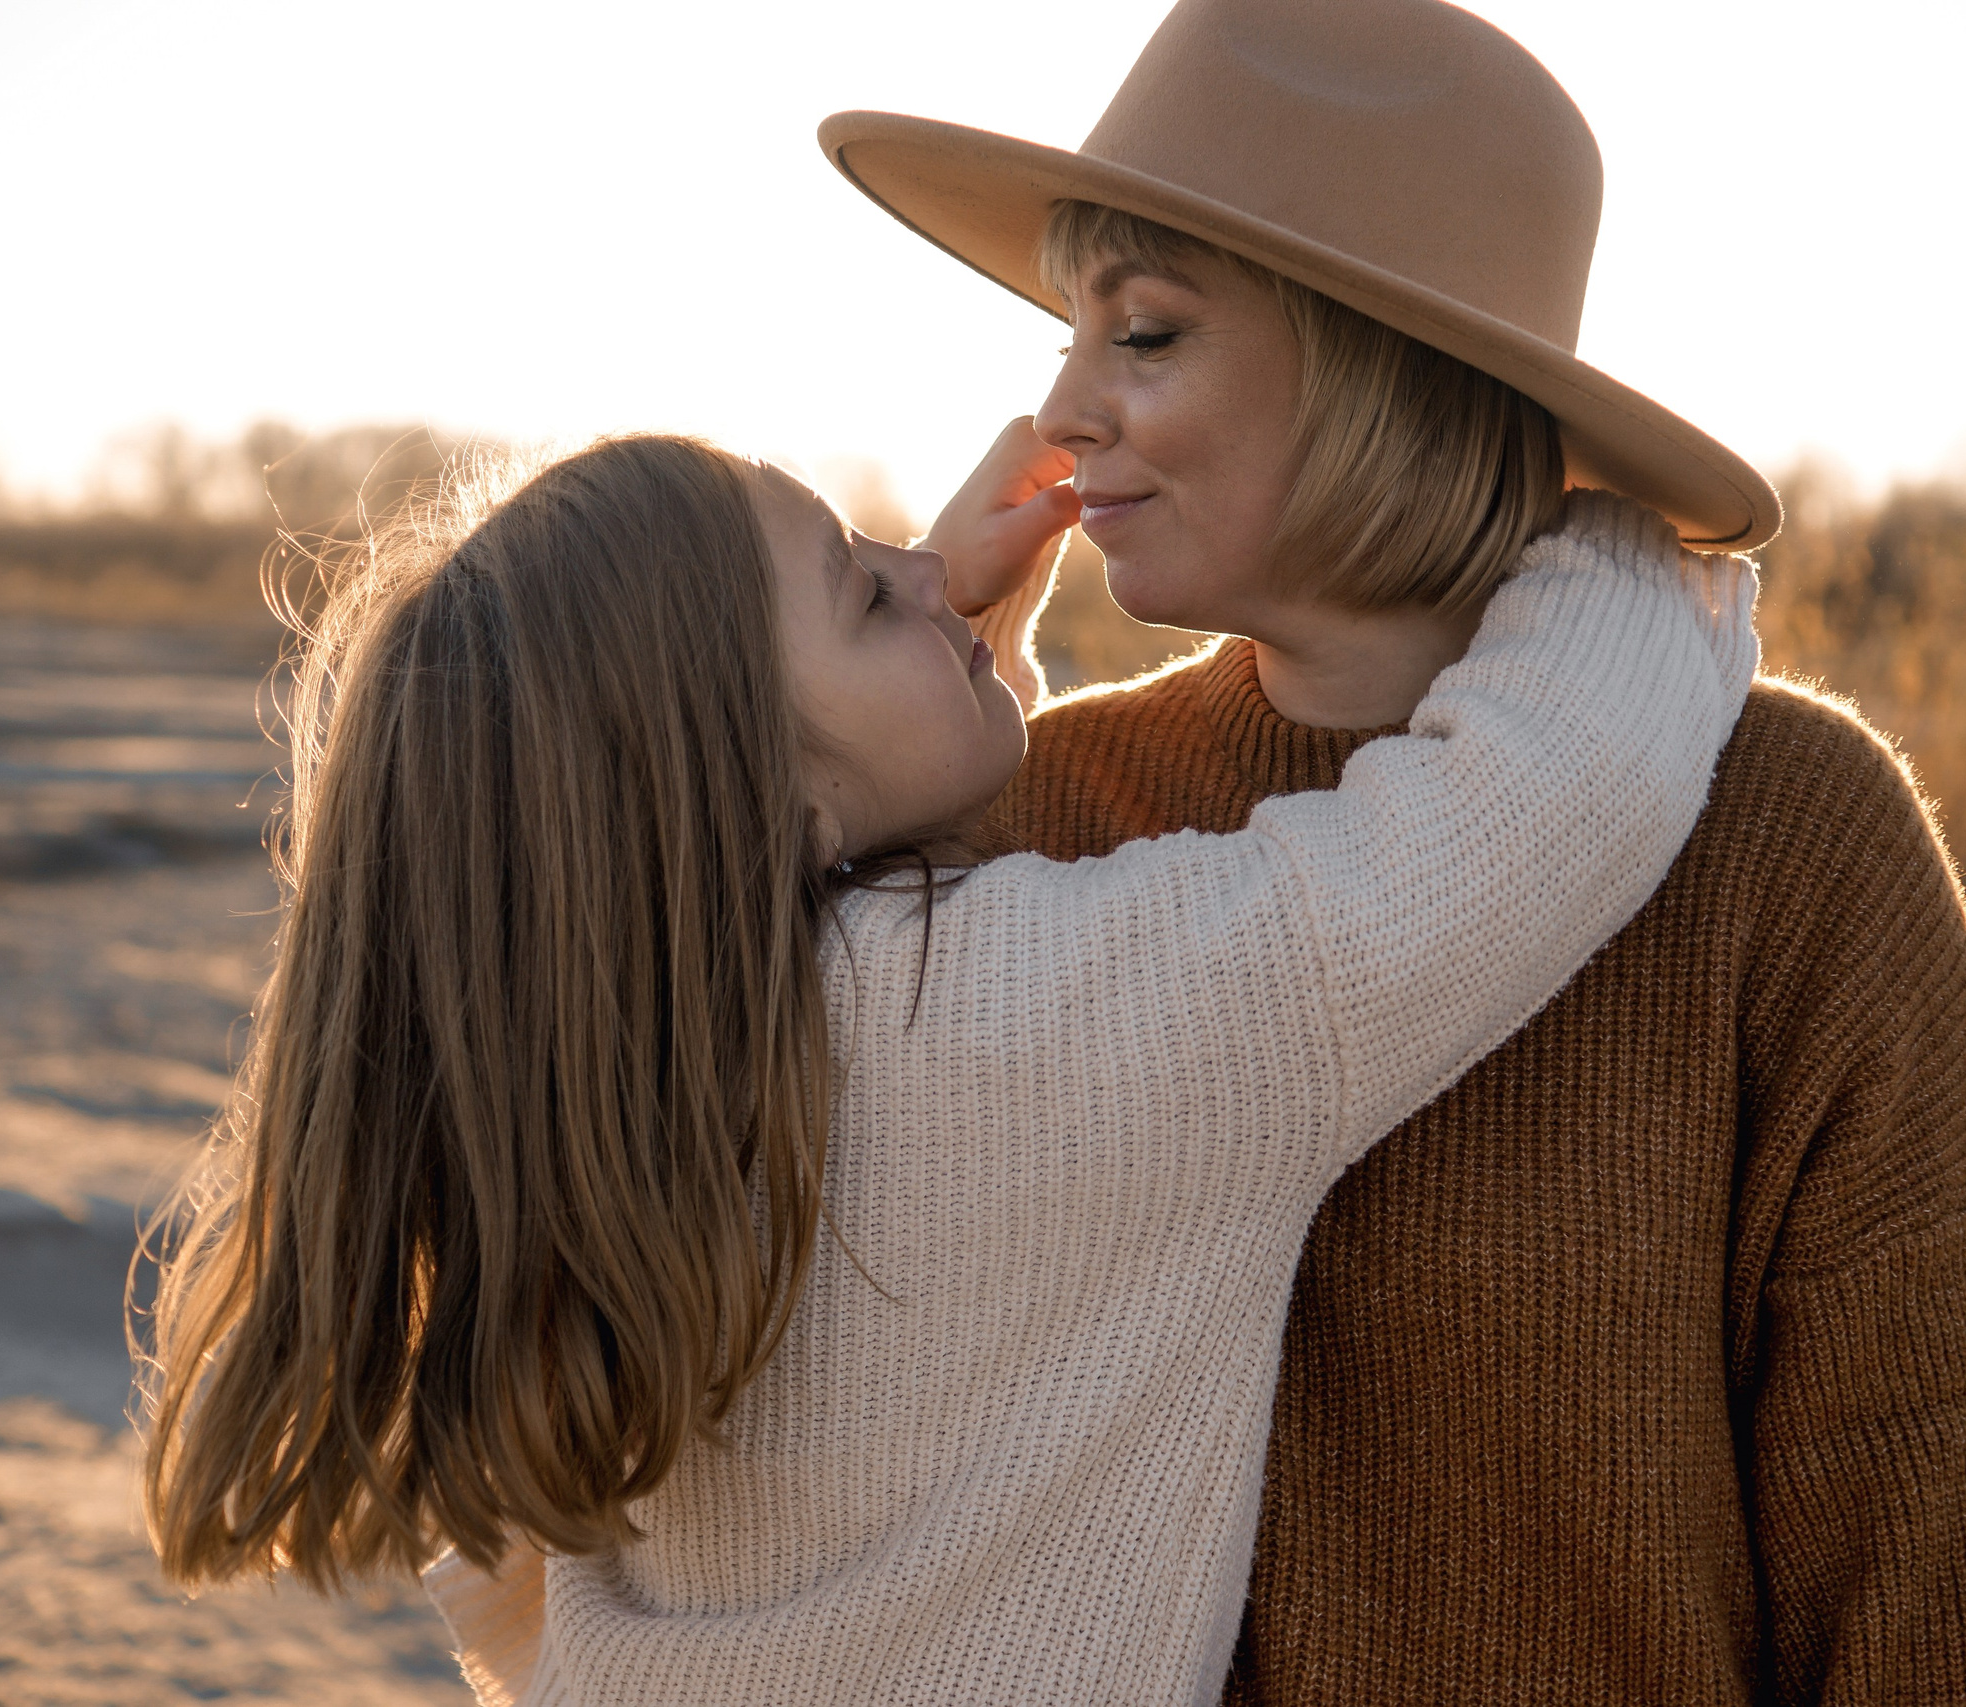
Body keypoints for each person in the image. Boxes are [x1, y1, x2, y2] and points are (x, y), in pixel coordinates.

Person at [825, 0, 1966, 1699]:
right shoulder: (1049, 811)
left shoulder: (1789, 835)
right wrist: (925, 684)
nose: (1060, 408)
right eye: (1070, 333)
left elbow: (1947, 1523)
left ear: (1379, 365)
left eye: (1140, 334)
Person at [136, 430, 1756, 1703]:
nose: (923, 566)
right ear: (758, 809)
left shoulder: (631, 1085)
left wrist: (941, 643)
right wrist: (1613, 510)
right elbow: (1550, 800)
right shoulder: (1026, 1032)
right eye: (863, 590)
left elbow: (879, 930)